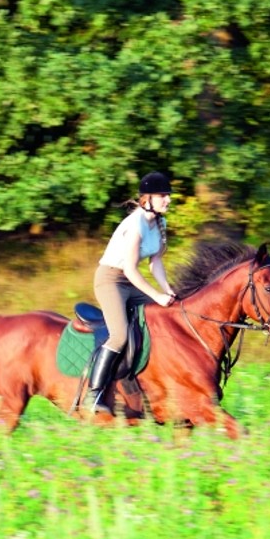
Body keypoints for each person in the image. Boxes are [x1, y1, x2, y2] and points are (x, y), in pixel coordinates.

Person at [83, 171, 177, 415]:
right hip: (111, 280)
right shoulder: (135, 225)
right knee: (120, 336)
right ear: (147, 199)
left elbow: (155, 262)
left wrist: (167, 290)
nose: (168, 200)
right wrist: (156, 296)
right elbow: (130, 269)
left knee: (160, 318)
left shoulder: (160, 222)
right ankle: (93, 395)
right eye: (163, 196)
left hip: (130, 280)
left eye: (168, 196)